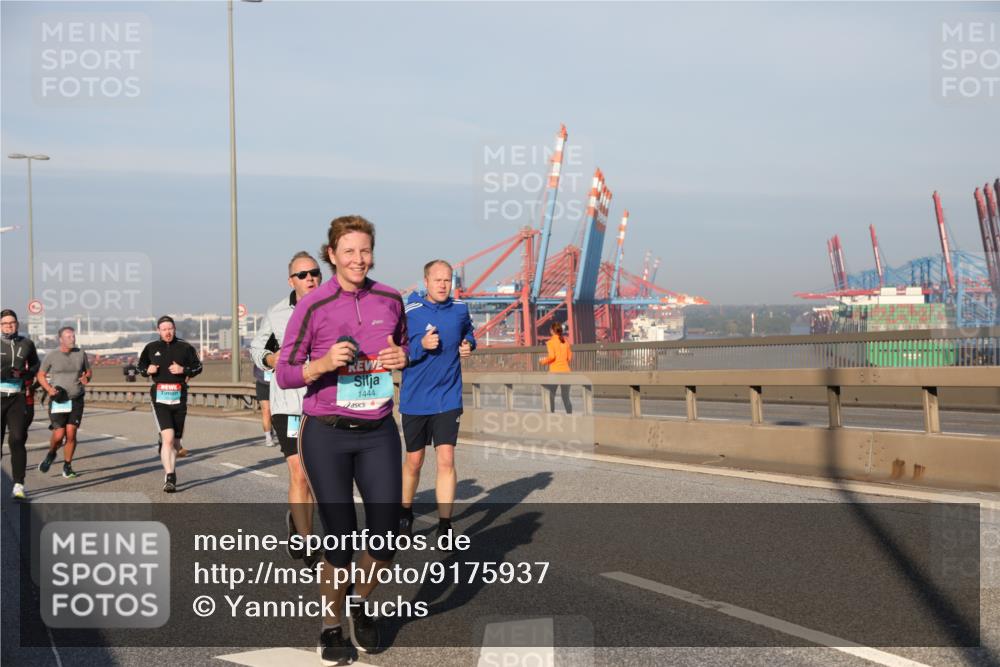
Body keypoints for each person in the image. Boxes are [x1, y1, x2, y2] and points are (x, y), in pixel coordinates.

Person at [276, 215, 408, 662]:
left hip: (378, 432)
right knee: (340, 541)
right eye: (348, 251)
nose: (358, 259)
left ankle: (359, 603)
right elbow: (286, 371)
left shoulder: (390, 298)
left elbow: (402, 346)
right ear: (331, 255)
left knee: (387, 538)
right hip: (327, 434)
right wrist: (324, 363)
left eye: (365, 250)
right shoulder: (312, 306)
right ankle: (332, 625)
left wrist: (400, 356)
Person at [251, 251, 322, 567]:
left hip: (323, 402)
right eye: (303, 274)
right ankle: (307, 542)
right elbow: (257, 348)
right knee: (299, 472)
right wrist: (270, 359)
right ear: (291, 280)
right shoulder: (276, 312)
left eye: (314, 272)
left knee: (318, 476)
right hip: (288, 404)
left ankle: (299, 522)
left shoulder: (334, 305)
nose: (310, 278)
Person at [398, 260, 475, 544]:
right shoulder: (409, 311)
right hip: (415, 399)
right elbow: (396, 348)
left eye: (447, 280)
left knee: (446, 458)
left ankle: (445, 525)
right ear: (426, 282)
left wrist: (468, 345)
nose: (443, 285)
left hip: (448, 397)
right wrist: (421, 346)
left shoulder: (459, 309)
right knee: (414, 461)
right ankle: (405, 512)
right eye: (437, 280)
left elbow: (469, 331)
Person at [137, 316, 203, 493]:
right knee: (168, 439)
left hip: (179, 398)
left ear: (175, 329)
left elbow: (198, 367)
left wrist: (184, 370)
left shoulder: (185, 347)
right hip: (159, 399)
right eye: (164, 329)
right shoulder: (151, 348)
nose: (168, 332)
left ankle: (168, 448)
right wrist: (147, 370)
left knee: (174, 442)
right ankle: (170, 477)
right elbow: (140, 367)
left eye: (171, 328)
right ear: (158, 331)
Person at [37, 326, 91, 479]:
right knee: (59, 435)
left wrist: (87, 377)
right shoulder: (52, 356)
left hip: (76, 399)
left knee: (71, 434)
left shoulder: (81, 353)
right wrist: (48, 389)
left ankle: (67, 466)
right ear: (60, 339)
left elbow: (88, 371)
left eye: (73, 336)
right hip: (59, 399)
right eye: (68, 337)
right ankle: (51, 453)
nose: (72, 339)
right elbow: (41, 375)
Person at [1, 309, 40, 499]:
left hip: (17, 397)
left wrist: (27, 375)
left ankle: (18, 484)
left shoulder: (27, 343)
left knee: (17, 438)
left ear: (18, 324)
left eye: (12, 322)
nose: (9, 325)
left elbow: (35, 365)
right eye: (5, 323)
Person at [540, 321, 572, 414]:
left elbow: (552, 357)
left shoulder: (550, 342)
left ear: (552, 331)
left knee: (551, 395)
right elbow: (569, 357)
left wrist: (543, 361)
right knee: (565, 397)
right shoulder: (566, 341)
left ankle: (551, 414)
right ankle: (569, 415)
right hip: (566, 372)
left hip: (555, 372)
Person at [253, 362, 275, 447]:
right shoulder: (258, 351)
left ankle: (293, 437)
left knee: (276, 413)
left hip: (278, 384)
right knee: (266, 411)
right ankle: (268, 438)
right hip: (263, 384)